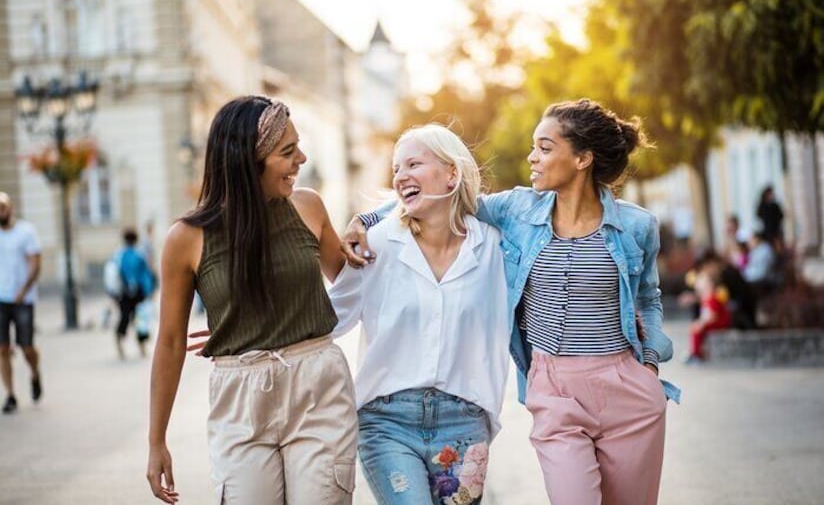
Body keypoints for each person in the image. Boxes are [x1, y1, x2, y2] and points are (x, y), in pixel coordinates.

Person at [347, 99, 679, 504]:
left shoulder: (636, 225)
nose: (531, 157)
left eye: (544, 147)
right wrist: (365, 220)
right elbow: (444, 196)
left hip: (626, 388)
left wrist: (649, 363)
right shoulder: (518, 211)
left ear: (582, 159)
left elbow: (648, 298)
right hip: (554, 390)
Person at [147, 96, 357, 504]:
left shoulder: (308, 207)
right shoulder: (186, 239)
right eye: (287, 151)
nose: (302, 158)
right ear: (247, 160)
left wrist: (365, 224)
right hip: (239, 402)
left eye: (298, 146)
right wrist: (157, 441)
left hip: (318, 390)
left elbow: (356, 284)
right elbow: (171, 341)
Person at [328, 125, 511, 504]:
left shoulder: (493, 247)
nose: (400, 176)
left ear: (452, 173)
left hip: (464, 422)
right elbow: (326, 318)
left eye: (414, 163)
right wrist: (249, 332)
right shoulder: (376, 245)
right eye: (396, 169)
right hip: (387, 420)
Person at [0, 192, 43, 414]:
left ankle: (35, 373)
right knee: (3, 348)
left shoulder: (25, 231)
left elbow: (35, 264)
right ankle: (10, 394)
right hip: (1, 300)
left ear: (11, 208)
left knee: (26, 347)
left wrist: (23, 291)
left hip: (23, 300)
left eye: (3, 207)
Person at [112, 227, 156, 359]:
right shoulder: (140, 254)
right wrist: (150, 291)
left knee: (124, 317)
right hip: (139, 293)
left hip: (124, 294)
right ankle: (141, 347)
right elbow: (147, 275)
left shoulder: (119, 255)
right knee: (140, 319)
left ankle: (120, 341)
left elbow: (115, 274)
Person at [686, 266, 732, 364]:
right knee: (696, 327)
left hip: (719, 323)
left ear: (710, 284)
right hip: (714, 322)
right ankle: (696, 352)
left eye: (702, 280)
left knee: (696, 330)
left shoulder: (712, 298)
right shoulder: (706, 298)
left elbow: (712, 316)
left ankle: (696, 354)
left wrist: (701, 323)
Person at [756, 185, 784, 250]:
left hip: (776, 231)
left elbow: (781, 216)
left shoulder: (775, 205)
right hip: (767, 232)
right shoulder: (763, 206)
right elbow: (759, 215)